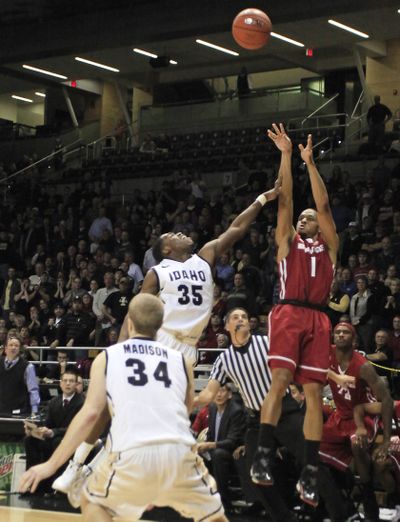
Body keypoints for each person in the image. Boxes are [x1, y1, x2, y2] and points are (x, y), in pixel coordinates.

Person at [54, 177, 282, 496]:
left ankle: (93, 472)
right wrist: (120, 352)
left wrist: (263, 198)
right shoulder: (158, 272)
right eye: (172, 234)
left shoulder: (205, 257)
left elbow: (237, 229)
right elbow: (136, 312)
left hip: (187, 355)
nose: (179, 232)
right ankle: (76, 466)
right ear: (166, 249)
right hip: (160, 344)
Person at [20, 294, 228, 522]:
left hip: (132, 453)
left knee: (91, 501)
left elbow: (90, 414)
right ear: (160, 326)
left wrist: (50, 465)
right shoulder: (182, 360)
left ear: (129, 322)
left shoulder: (107, 358)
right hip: (179, 453)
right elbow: (186, 409)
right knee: (215, 517)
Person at [251, 124, 339, 508]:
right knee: (282, 379)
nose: (304, 218)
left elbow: (323, 205)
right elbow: (286, 201)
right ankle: (263, 454)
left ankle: (311, 471)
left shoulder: (331, 246)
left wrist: (310, 161)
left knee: (315, 393)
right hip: (288, 312)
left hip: (319, 319)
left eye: (309, 217)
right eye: (300, 218)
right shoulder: (287, 242)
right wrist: (286, 156)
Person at [195, 307, 347, 522]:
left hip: (284, 412)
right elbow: (210, 392)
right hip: (256, 419)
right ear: (227, 326)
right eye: (236, 317)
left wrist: (333, 376)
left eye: (245, 317)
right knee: (255, 475)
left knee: (311, 463)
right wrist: (187, 400)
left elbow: (302, 362)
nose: (241, 320)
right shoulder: (223, 360)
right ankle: (284, 518)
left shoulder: (267, 343)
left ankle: (342, 515)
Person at [320, 322, 393, 520]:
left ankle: (369, 499)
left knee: (357, 444)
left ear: (354, 339)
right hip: (340, 416)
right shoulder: (327, 354)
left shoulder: (363, 366)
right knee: (314, 449)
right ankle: (342, 499)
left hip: (364, 415)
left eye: (345, 332)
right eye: (337, 332)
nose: (340, 335)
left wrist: (386, 440)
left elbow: (386, 399)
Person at [24, 369, 84, 494]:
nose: (68, 384)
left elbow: (78, 428)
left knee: (57, 442)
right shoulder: (54, 401)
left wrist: (53, 432)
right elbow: (48, 424)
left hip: (72, 440)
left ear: (76, 384)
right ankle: (33, 484)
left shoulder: (82, 402)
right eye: (65, 381)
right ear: (60, 383)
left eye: (71, 381)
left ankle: (57, 488)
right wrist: (36, 430)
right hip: (54, 437)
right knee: (29, 440)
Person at [196, 383, 246, 512]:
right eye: (216, 391)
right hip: (216, 448)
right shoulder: (212, 408)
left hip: (234, 451)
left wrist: (210, 445)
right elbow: (211, 435)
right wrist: (203, 446)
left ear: (229, 394)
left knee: (218, 454)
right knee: (196, 454)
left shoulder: (236, 411)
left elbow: (231, 441)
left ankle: (224, 501)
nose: (218, 394)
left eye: (222, 391)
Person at [0, 334, 40, 415]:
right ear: (5, 348)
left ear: (19, 349)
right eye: (11, 345)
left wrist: (34, 410)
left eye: (16, 346)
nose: (13, 347)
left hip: (18, 410)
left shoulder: (28, 366)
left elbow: (33, 390)